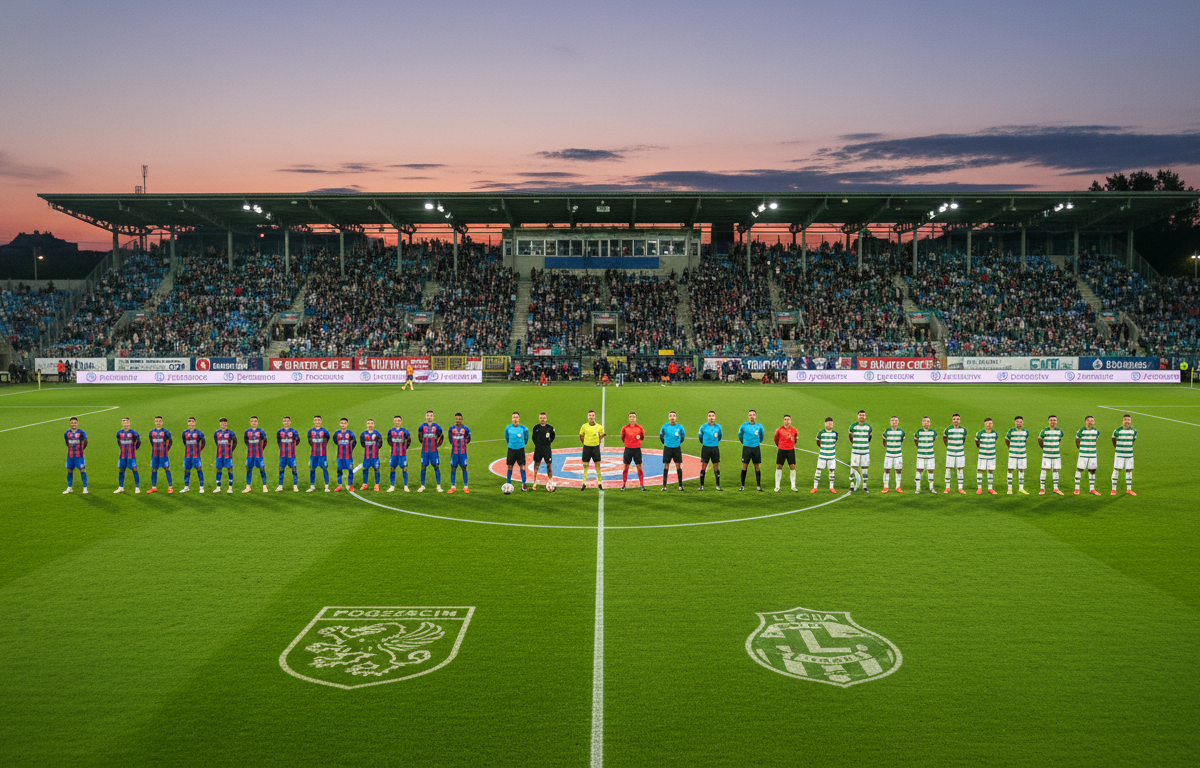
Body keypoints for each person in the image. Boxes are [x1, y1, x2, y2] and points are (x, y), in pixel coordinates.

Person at [738, 409, 766, 491]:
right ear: (748, 416)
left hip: (756, 449)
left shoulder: (759, 426)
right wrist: (745, 443)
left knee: (757, 467)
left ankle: (758, 486)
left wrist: (756, 442)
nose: (752, 416)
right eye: (750, 415)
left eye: (753, 415)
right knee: (744, 467)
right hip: (746, 449)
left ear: (755, 416)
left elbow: (762, 436)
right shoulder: (744, 426)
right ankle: (742, 486)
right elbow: (740, 435)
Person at [417, 410, 444, 492]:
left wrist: (437, 444)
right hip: (424, 451)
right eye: (428, 415)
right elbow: (420, 437)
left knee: (436, 467)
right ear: (425, 417)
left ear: (433, 417)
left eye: (431, 415)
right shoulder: (421, 427)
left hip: (434, 451)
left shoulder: (437, 427)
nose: (429, 417)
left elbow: (441, 436)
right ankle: (422, 486)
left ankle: (438, 486)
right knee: (423, 467)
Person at [578, 409, 605, 491]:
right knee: (585, 466)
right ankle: (583, 483)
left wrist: (600, 436)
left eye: (592, 415)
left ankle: (600, 483)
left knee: (598, 466)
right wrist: (585, 443)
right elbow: (581, 436)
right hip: (587, 448)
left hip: (595, 448)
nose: (591, 417)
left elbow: (601, 436)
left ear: (595, 416)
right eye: (590, 415)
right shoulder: (584, 426)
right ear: (587, 417)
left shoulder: (599, 427)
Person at [1074, 415, 1101, 496]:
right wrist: (1081, 449)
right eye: (1088, 420)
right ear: (1085, 421)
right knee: (1079, 469)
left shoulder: (1096, 432)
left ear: (1094, 422)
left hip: (1092, 454)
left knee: (1092, 471)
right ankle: (1077, 488)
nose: (1090, 422)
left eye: (1092, 421)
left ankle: (1092, 489)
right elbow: (1077, 441)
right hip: (1083, 454)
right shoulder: (1081, 431)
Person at [1110, 414, 1137, 496]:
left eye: (1128, 420)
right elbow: (1113, 439)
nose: (1127, 421)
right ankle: (1113, 489)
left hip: (1129, 454)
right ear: (1123, 421)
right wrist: (1117, 447)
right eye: (1125, 420)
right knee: (1116, 469)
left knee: (1129, 470)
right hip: (1119, 454)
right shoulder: (1117, 431)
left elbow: (1133, 440)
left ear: (1130, 421)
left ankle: (1129, 489)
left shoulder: (1134, 431)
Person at [1038, 415, 1064, 495]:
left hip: (1056, 455)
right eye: (1051, 420)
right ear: (1048, 421)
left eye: (1054, 420)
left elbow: (1059, 440)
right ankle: (1042, 489)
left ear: (1056, 421)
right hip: (1046, 455)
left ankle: (1056, 488)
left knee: (1055, 470)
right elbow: (1039, 439)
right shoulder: (1044, 431)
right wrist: (1044, 448)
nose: (1053, 422)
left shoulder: (1059, 432)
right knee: (1044, 470)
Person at [659, 411, 686, 491]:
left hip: (676, 448)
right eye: (670, 416)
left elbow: (682, 438)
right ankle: (664, 486)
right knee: (666, 465)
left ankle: (680, 486)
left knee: (678, 466)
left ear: (676, 417)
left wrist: (676, 443)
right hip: (667, 449)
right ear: (669, 417)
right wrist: (667, 443)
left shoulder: (680, 427)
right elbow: (661, 437)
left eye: (674, 416)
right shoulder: (664, 427)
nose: (672, 417)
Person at [620, 412, 646, 491]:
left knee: (639, 467)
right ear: (628, 418)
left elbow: (642, 437)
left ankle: (642, 485)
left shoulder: (640, 428)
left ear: (636, 418)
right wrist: (628, 443)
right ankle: (624, 484)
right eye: (630, 417)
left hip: (637, 450)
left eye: (633, 417)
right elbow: (622, 437)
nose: (632, 419)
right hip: (628, 450)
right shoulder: (625, 428)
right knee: (626, 468)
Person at [147, 416, 174, 494]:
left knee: (166, 468)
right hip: (155, 455)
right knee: (154, 469)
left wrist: (165, 450)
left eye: (159, 421)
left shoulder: (166, 432)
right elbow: (152, 442)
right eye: (156, 421)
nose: (158, 422)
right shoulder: (151, 432)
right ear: (154, 422)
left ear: (162, 422)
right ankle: (153, 487)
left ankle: (170, 487)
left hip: (164, 455)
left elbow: (170, 442)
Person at [504, 411, 530, 491]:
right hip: (511, 450)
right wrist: (511, 444)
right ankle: (508, 483)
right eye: (513, 417)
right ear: (512, 418)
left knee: (522, 466)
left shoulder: (524, 429)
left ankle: (524, 484)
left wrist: (521, 444)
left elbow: (526, 438)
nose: (515, 419)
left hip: (520, 450)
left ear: (519, 418)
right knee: (510, 466)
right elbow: (507, 438)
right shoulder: (508, 428)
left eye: (516, 417)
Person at [115, 417, 141, 494]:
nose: (125, 424)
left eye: (127, 422)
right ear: (122, 423)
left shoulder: (134, 433)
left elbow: (138, 443)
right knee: (121, 470)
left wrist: (133, 450)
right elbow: (119, 443)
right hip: (122, 456)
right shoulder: (119, 433)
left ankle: (137, 487)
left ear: (129, 423)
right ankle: (121, 487)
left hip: (131, 456)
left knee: (134, 469)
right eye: (124, 422)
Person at [772, 414, 798, 492]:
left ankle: (793, 486)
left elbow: (796, 439)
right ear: (783, 421)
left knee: (792, 466)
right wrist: (780, 446)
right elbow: (776, 439)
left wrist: (791, 445)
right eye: (785, 419)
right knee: (779, 466)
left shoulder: (794, 430)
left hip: (790, 451)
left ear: (790, 421)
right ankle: (777, 486)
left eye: (788, 419)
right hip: (781, 451)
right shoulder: (779, 430)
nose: (787, 421)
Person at [530, 412, 555, 491]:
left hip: (547, 449)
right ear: (539, 419)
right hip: (538, 449)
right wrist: (538, 445)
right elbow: (533, 438)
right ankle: (534, 482)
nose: (542, 419)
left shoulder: (550, 428)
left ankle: (550, 481)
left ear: (546, 419)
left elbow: (552, 437)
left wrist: (547, 444)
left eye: (544, 418)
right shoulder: (535, 428)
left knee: (549, 465)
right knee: (536, 465)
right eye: (541, 418)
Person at [848, 410, 872, 492]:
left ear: (865, 417)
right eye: (860, 415)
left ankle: (865, 486)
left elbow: (869, 437)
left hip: (865, 452)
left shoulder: (869, 427)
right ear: (858, 416)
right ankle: (851, 485)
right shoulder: (853, 426)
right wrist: (855, 444)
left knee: (865, 468)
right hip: (855, 451)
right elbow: (850, 437)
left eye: (863, 415)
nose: (862, 417)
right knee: (853, 467)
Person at [697, 411, 722, 491]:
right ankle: (701, 486)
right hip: (705, 449)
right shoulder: (703, 427)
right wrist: (706, 443)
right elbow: (700, 437)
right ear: (707, 417)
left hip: (715, 449)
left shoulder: (718, 427)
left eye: (713, 416)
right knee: (704, 466)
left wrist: (713, 443)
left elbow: (719, 437)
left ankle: (717, 485)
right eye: (709, 416)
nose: (711, 417)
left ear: (715, 417)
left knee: (716, 466)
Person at [243, 416, 269, 493]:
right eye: (252, 421)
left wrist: (261, 449)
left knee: (262, 469)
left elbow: (265, 441)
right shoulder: (247, 432)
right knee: (248, 469)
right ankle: (248, 486)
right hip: (250, 455)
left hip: (259, 455)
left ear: (257, 422)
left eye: (255, 421)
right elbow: (246, 441)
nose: (253, 423)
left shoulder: (261, 432)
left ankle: (264, 486)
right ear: (250, 422)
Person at [943, 413, 967, 494]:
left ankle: (960, 488)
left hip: (960, 452)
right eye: (954, 419)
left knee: (960, 469)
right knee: (948, 468)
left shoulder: (963, 430)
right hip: (950, 452)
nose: (956, 421)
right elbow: (945, 438)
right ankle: (947, 487)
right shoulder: (947, 430)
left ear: (959, 420)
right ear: (952, 420)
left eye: (957, 419)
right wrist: (948, 446)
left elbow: (963, 440)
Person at [812, 417, 838, 493]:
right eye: (828, 423)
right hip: (822, 456)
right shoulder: (821, 433)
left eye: (831, 423)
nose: (830, 425)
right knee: (818, 470)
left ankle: (831, 487)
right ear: (825, 424)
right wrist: (823, 448)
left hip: (831, 456)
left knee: (832, 471)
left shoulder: (835, 433)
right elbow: (818, 442)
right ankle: (815, 487)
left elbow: (834, 442)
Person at [1005, 416, 1030, 495]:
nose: (1019, 423)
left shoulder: (1026, 432)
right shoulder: (1011, 431)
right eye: (1017, 422)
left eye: (1020, 422)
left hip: (1022, 454)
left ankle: (1021, 488)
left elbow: (1024, 441)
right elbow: (1006, 440)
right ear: (1015, 422)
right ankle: (1009, 489)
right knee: (1010, 470)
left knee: (1021, 470)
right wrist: (1010, 447)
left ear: (1022, 423)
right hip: (1012, 454)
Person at [63, 416, 88, 494]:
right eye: (72, 423)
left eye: (75, 423)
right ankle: (69, 487)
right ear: (70, 423)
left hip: (79, 456)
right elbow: (67, 442)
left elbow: (86, 441)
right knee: (69, 470)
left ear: (77, 423)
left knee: (82, 470)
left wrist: (81, 449)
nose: (73, 424)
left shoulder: (81, 432)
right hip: (70, 456)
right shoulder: (67, 433)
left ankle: (85, 488)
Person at [180, 417, 206, 493]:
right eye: (189, 421)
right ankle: (186, 487)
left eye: (192, 421)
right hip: (187, 455)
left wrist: (199, 450)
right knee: (186, 470)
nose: (191, 423)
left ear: (195, 423)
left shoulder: (199, 433)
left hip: (196, 456)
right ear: (187, 423)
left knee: (199, 470)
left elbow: (203, 443)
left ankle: (201, 487)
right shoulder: (184, 433)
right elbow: (184, 442)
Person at [447, 413, 471, 494]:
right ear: (455, 419)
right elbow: (450, 439)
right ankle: (453, 487)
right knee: (453, 468)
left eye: (459, 419)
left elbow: (468, 439)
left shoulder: (466, 429)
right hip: (454, 452)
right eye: (457, 419)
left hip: (463, 453)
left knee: (464, 468)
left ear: (462, 419)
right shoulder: (451, 429)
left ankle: (466, 486)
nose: (458, 420)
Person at [880, 416, 905, 493]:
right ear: (890, 422)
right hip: (889, 454)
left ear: (898, 422)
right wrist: (888, 448)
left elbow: (901, 441)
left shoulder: (901, 432)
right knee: (887, 470)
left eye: (896, 421)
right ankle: (885, 487)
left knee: (898, 470)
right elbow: (884, 440)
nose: (894, 422)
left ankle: (898, 487)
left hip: (898, 454)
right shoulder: (887, 432)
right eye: (892, 421)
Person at [912, 417, 937, 493]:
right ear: (922, 423)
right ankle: (918, 488)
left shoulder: (933, 433)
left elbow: (933, 440)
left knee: (931, 470)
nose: (926, 423)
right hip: (921, 455)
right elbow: (916, 441)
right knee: (919, 470)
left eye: (927, 421)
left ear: (930, 423)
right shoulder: (918, 432)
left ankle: (931, 488)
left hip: (930, 455)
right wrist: (920, 448)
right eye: (924, 421)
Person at [974, 417, 999, 495]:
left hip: (992, 456)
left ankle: (990, 488)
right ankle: (979, 488)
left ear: (992, 424)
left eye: (990, 423)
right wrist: (982, 448)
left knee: (990, 471)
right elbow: (976, 441)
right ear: (984, 424)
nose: (989, 425)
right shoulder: (980, 433)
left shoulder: (995, 434)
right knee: (980, 470)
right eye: (987, 423)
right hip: (982, 456)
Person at [307, 415, 331, 492]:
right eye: (315, 420)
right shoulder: (310, 431)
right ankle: (312, 486)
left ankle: (326, 487)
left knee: (324, 469)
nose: (317, 422)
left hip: (322, 455)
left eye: (318, 420)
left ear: (321, 421)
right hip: (313, 455)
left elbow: (327, 439)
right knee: (312, 469)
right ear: (313, 421)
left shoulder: (325, 431)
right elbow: (310, 442)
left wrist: (323, 446)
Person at [213, 418, 237, 493]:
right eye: (221, 423)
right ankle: (218, 487)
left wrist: (231, 450)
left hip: (228, 456)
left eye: (224, 423)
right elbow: (216, 442)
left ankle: (230, 488)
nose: (223, 424)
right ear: (220, 423)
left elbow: (235, 442)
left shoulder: (231, 433)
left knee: (230, 470)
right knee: (218, 470)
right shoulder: (216, 433)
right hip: (219, 456)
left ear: (226, 423)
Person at [387, 415, 411, 492]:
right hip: (393, 454)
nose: (397, 422)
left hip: (402, 454)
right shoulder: (390, 431)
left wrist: (405, 448)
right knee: (392, 469)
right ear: (393, 421)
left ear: (400, 421)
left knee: (404, 469)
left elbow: (409, 440)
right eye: (395, 421)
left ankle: (406, 486)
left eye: (398, 421)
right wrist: (393, 447)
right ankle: (392, 486)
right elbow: (389, 440)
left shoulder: (405, 431)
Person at [276, 416, 300, 492]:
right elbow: (278, 441)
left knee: (294, 470)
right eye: (284, 421)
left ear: (290, 422)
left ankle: (295, 486)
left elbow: (298, 440)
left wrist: (292, 447)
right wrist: (281, 449)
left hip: (291, 455)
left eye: (287, 421)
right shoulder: (279, 432)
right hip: (282, 455)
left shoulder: (294, 432)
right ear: (283, 422)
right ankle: (280, 486)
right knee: (281, 470)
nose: (286, 422)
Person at [333, 418, 357, 492]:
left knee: (350, 470)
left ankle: (350, 485)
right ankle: (339, 485)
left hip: (348, 457)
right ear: (340, 424)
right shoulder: (337, 433)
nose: (343, 425)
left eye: (345, 423)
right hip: (339, 456)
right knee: (339, 470)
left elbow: (354, 442)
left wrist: (350, 449)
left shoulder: (350, 433)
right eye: (342, 423)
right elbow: (335, 440)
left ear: (347, 424)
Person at [360, 419, 383, 491]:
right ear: (366, 425)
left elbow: (380, 443)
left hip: (375, 456)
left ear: (374, 424)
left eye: (371, 423)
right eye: (368, 423)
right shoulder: (363, 434)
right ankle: (365, 484)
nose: (370, 425)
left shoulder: (377, 434)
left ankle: (376, 485)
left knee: (376, 470)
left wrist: (376, 449)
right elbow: (362, 443)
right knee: (365, 469)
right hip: (366, 456)